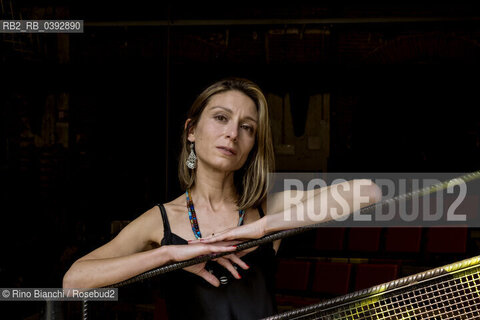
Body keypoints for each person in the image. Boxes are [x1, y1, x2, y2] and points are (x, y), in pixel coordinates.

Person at [63, 78, 381, 319]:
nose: (232, 134)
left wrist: (262, 228)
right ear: (191, 129)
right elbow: (74, 282)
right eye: (220, 118)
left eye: (247, 127)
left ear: (253, 145)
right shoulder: (160, 220)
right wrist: (169, 255)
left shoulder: (266, 208)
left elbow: (368, 191)